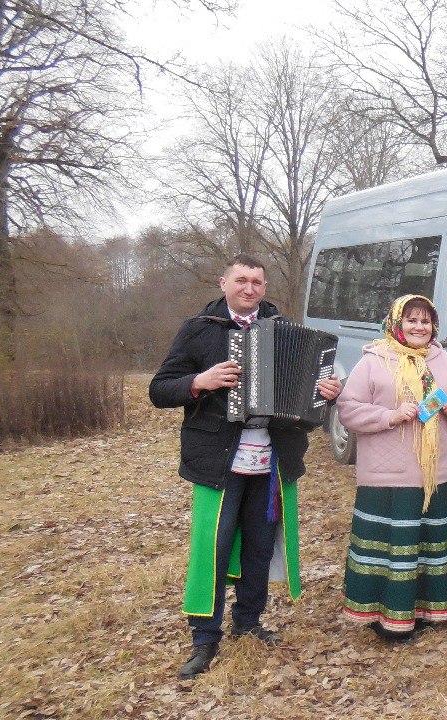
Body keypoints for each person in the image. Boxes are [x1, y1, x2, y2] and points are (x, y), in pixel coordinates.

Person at [149, 254, 342, 680]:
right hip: (218, 461)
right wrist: (198, 382)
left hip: (272, 460)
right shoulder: (199, 330)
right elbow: (159, 389)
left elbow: (309, 409)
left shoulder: (286, 330)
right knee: (213, 549)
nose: (249, 288)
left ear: (265, 287)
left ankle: (248, 622)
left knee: (258, 545)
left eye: (257, 282)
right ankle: (204, 638)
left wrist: (325, 393)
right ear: (224, 283)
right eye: (241, 281)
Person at [335, 295, 447, 642]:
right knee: (393, 548)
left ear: (433, 327)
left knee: (424, 546)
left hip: (432, 474)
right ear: (397, 323)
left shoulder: (442, 361)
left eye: (425, 322)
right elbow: (348, 409)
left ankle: (426, 609)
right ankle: (387, 619)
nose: (419, 327)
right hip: (387, 476)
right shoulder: (374, 360)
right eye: (411, 320)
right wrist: (389, 415)